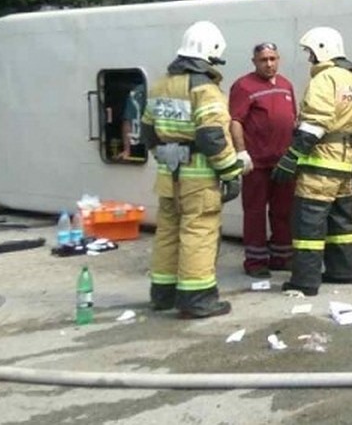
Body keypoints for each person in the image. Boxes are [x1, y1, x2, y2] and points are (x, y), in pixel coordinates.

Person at [141, 21, 245, 318]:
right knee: (198, 233)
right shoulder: (205, 89)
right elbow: (213, 137)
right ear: (211, 52)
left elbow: (148, 132)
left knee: (167, 232)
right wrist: (230, 173)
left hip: (168, 175)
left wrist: (167, 155)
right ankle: (197, 299)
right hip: (199, 179)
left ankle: (163, 294)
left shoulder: (160, 85)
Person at [273, 27, 352, 297]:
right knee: (341, 221)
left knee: (308, 221)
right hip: (345, 165)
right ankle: (343, 271)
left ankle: (304, 281)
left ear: (321, 49)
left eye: (310, 53)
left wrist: (290, 158)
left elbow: (315, 124)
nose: (309, 59)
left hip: (321, 164)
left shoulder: (324, 79)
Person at [228, 41, 298, 279]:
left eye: (273, 58)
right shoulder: (243, 86)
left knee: (283, 211)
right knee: (255, 211)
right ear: (254, 62)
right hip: (257, 163)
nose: (269, 64)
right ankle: (256, 261)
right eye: (263, 60)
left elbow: (293, 120)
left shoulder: (286, 85)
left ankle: (282, 256)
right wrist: (241, 152)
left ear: (279, 59)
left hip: (283, 162)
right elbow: (235, 120)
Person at [116, 83, 146, 161]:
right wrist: (127, 150)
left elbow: (128, 121)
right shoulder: (137, 93)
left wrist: (127, 150)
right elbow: (128, 121)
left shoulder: (136, 93)